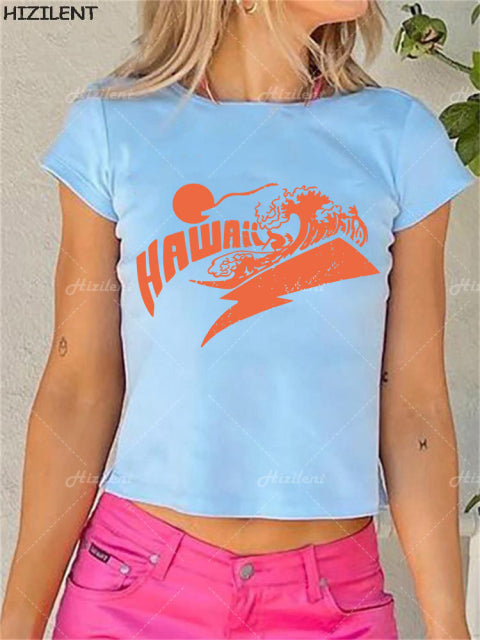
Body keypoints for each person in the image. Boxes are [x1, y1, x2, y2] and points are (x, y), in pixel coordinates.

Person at [1, 0, 475, 637]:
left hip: (330, 603)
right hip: (135, 592)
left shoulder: (399, 138)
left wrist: (449, 626)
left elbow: (415, 403)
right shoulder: (114, 127)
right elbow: (77, 389)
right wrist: (18, 622)